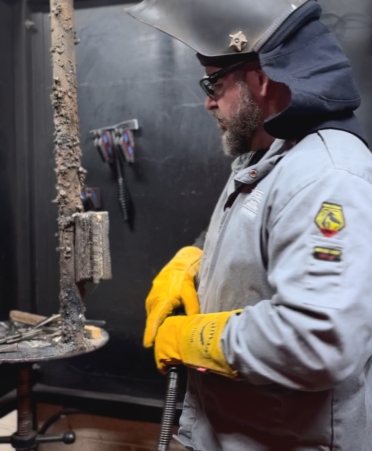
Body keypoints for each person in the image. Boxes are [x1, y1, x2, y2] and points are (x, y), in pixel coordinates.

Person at [128, 0, 372, 450]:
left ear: (260, 79)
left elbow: (315, 343)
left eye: (215, 83)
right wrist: (193, 259)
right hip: (234, 430)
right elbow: (257, 237)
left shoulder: (327, 174)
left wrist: (189, 338)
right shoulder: (269, 154)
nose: (207, 100)